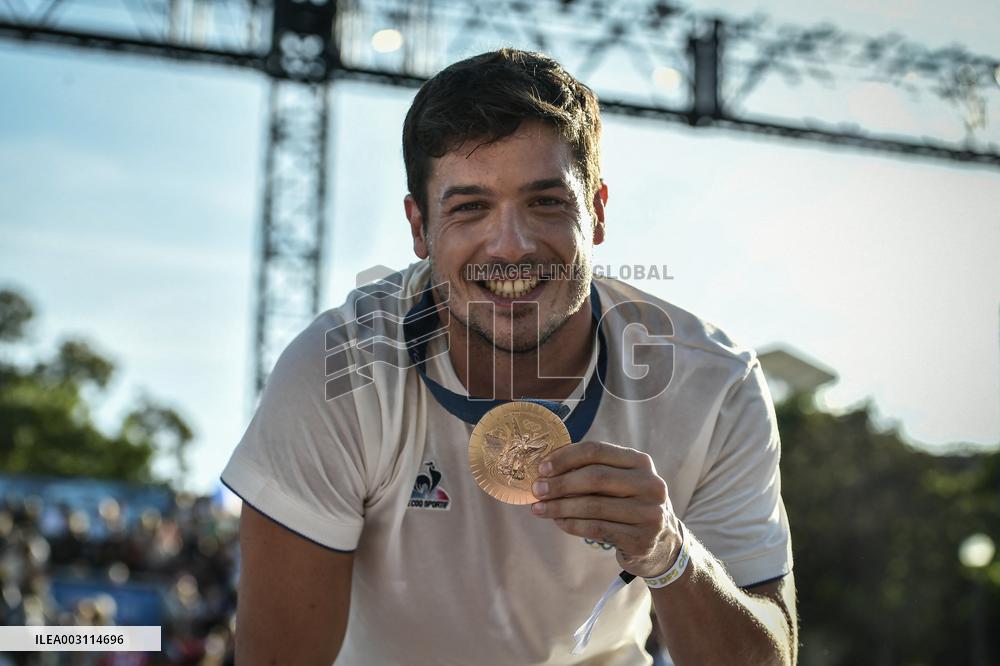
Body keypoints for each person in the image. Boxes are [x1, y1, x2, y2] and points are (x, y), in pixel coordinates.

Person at [220, 48, 797, 665]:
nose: (512, 245)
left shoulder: (714, 385)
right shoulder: (339, 369)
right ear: (419, 227)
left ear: (596, 212)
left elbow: (768, 658)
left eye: (545, 202)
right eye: (470, 207)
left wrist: (669, 553)